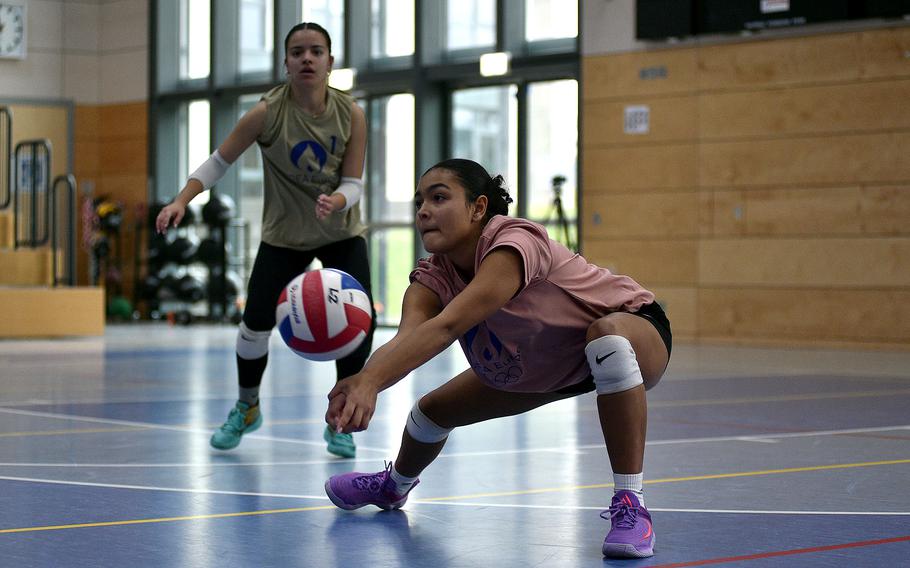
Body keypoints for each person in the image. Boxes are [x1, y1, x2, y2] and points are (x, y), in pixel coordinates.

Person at [322, 159, 671, 559]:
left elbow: (448, 326)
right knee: (431, 412)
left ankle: (631, 505)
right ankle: (394, 486)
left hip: (633, 330)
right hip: (549, 363)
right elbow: (409, 338)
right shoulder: (430, 279)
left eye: (439, 197)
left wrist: (371, 383)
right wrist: (362, 380)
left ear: (478, 207)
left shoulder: (512, 243)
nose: (423, 210)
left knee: (606, 339)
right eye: (419, 201)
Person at [156, 22, 375, 459]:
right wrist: (182, 199)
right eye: (298, 52)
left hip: (340, 233)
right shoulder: (266, 113)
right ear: (286, 63)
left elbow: (355, 182)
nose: (307, 59)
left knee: (356, 329)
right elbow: (219, 162)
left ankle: (341, 420)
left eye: (316, 51)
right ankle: (247, 406)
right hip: (284, 237)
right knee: (253, 326)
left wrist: (336, 198)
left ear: (330, 62)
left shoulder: (350, 113)